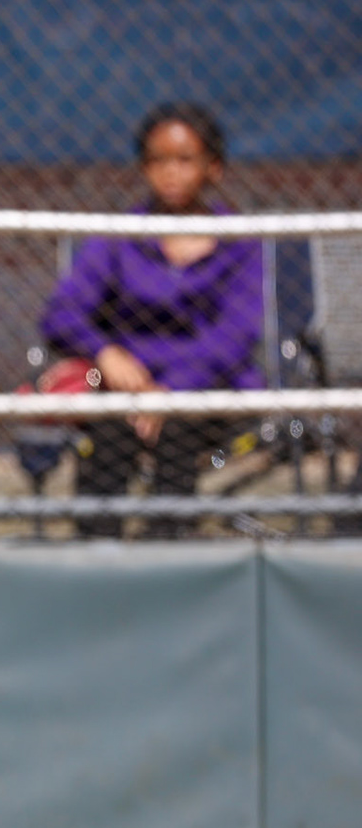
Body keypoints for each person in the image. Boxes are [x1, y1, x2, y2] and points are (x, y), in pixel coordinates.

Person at [38, 102, 262, 539]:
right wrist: (106, 353)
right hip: (127, 390)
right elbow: (61, 313)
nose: (170, 173)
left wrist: (172, 391)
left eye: (184, 160)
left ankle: (169, 551)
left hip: (208, 392)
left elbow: (234, 336)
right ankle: (96, 552)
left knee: (177, 427)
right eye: (157, 161)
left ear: (213, 168)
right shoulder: (121, 236)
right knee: (110, 428)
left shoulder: (240, 241)